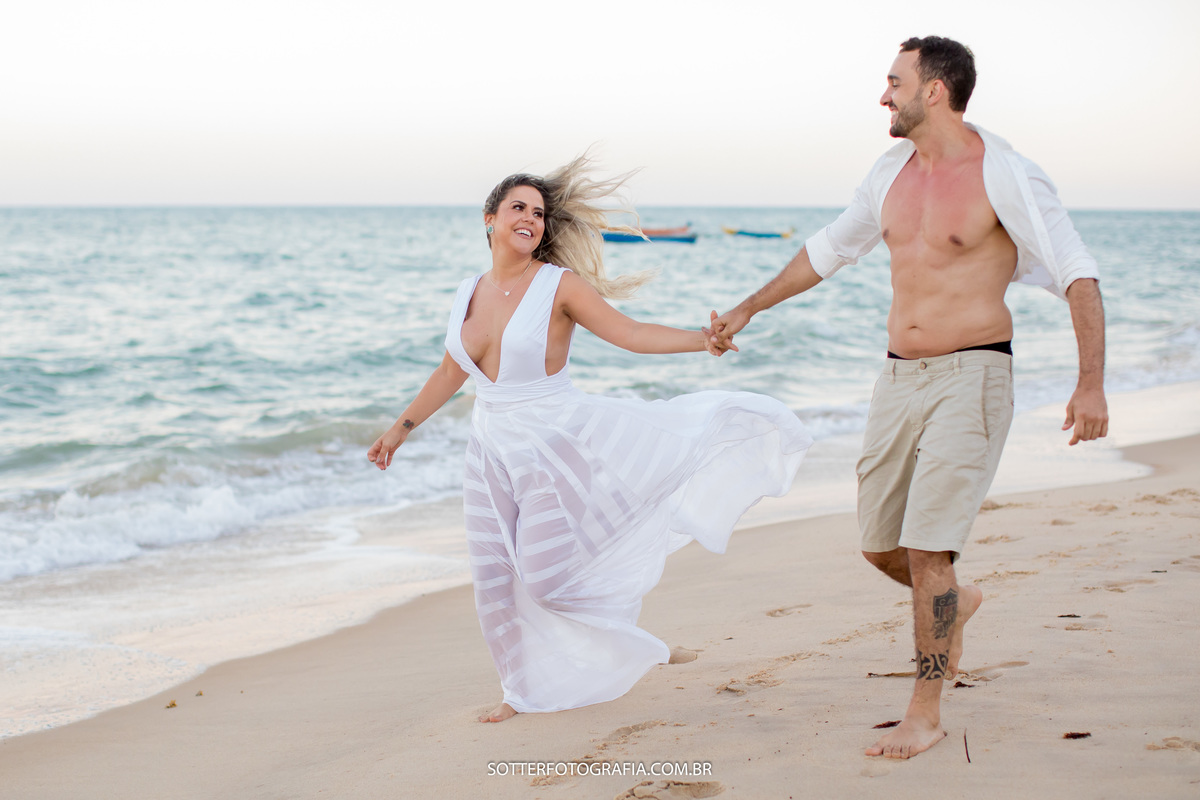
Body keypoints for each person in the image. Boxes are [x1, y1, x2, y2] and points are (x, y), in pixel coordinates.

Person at [709, 36, 1108, 759]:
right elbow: (826, 251)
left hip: (973, 375)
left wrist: (1090, 383)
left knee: (929, 551)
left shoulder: (1008, 175)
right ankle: (958, 603)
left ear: (935, 90)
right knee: (878, 545)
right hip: (897, 379)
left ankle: (924, 711)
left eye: (894, 81)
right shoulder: (890, 173)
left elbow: (1077, 271)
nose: (883, 95)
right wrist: (747, 308)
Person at [368, 156, 813, 723]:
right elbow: (452, 371)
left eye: (539, 212)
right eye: (518, 208)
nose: (530, 218)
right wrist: (400, 429)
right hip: (489, 450)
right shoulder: (467, 292)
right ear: (490, 218)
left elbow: (628, 333)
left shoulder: (559, 286)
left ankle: (634, 646)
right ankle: (519, 692)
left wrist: (700, 341)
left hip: (553, 444)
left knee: (548, 579)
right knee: (493, 579)